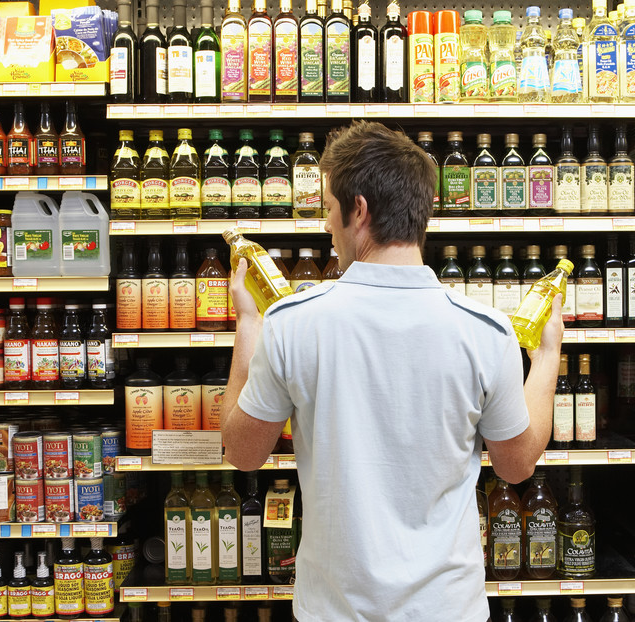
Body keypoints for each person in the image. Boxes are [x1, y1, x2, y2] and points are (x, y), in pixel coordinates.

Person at [221, 121, 563, 622]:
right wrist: (549, 355)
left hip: (335, 611)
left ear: (358, 210)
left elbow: (243, 452)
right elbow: (517, 466)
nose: (325, 225)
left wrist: (248, 323)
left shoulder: (292, 323)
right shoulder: (486, 332)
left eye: (329, 210)